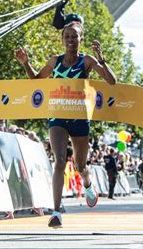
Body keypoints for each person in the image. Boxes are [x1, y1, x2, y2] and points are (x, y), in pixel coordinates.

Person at [15, 21, 116, 227]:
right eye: (67, 36)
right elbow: (36, 79)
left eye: (74, 36)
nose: (71, 40)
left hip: (79, 118)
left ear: (81, 39)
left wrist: (101, 60)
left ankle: (87, 184)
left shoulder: (86, 61)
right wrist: (25, 63)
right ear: (62, 40)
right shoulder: (55, 62)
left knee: (80, 165)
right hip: (57, 116)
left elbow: (111, 81)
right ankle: (56, 212)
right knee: (59, 160)